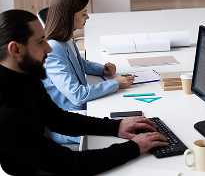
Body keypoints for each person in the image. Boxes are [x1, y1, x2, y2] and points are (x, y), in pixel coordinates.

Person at [0, 9, 167, 175]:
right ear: (15, 50)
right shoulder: (6, 113)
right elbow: (70, 163)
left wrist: (116, 126)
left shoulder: (26, 76)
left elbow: (58, 119)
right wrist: (135, 147)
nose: (49, 49)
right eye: (40, 42)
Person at [41, 0, 135, 144]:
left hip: (82, 110)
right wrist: (114, 84)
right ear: (68, 16)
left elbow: (79, 62)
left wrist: (101, 69)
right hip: (68, 121)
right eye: (83, 14)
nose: (88, 17)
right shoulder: (53, 50)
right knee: (121, 132)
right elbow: (77, 95)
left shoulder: (65, 38)